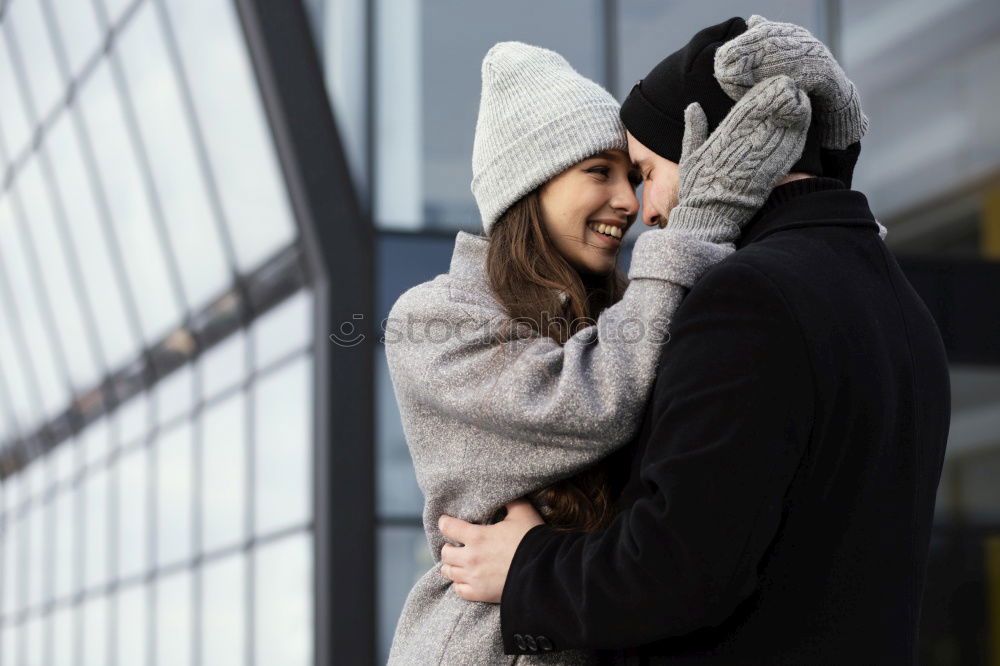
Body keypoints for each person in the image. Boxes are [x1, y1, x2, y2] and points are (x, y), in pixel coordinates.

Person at [438, 16, 950, 665]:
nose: (645, 210)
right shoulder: (902, 306)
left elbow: (676, 570)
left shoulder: (749, 297)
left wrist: (527, 566)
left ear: (707, 145)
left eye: (647, 171)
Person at [385, 38, 813, 665]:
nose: (630, 202)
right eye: (599, 172)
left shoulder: (627, 310)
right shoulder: (434, 318)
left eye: (635, 175)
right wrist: (698, 225)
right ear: (529, 185)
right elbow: (587, 401)